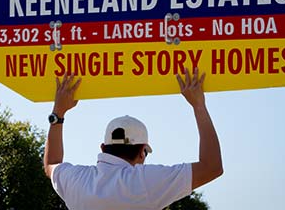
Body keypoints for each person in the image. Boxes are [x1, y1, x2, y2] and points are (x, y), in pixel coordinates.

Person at [44, 68, 223, 210]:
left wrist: (58, 113)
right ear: (142, 152)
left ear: (103, 147)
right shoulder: (145, 182)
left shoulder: (78, 181)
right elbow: (212, 167)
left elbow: (51, 164)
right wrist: (199, 106)